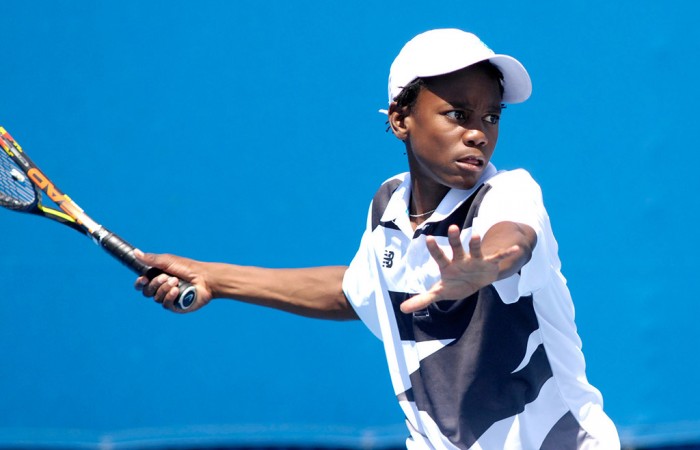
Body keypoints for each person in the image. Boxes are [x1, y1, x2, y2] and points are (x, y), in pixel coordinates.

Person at [134, 28, 620, 449]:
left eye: (491, 117)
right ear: (400, 119)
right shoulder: (388, 208)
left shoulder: (509, 191)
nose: (478, 133)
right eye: (457, 114)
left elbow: (513, 241)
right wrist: (215, 279)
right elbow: (353, 291)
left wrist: (483, 268)